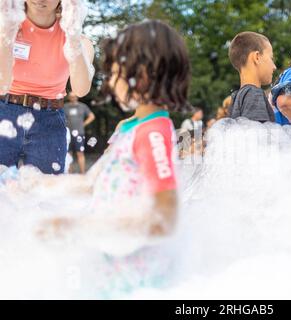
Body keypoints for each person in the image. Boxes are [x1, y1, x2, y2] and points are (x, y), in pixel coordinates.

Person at [33, 21, 191, 296]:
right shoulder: (129, 128)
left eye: (116, 71)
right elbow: (93, 183)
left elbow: (165, 218)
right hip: (108, 265)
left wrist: (81, 227)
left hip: (137, 278)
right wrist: (32, 185)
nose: (110, 80)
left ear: (140, 75)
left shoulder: (153, 132)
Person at [0, 0, 95, 174]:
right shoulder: (6, 23)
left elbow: (81, 89)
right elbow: (1, 84)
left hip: (50, 119)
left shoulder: (79, 39)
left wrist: (73, 39)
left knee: (44, 196)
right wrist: (6, 34)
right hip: (4, 112)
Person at [227, 31, 276, 122]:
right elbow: (257, 134)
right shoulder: (253, 94)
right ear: (257, 57)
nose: (274, 67)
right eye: (271, 58)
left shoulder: (237, 97)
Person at [64, 91, 95, 173]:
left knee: (80, 153)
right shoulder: (65, 107)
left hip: (79, 133)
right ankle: (69, 173)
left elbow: (92, 116)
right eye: (71, 96)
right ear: (69, 97)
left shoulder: (82, 106)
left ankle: (82, 173)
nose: (73, 98)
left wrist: (84, 124)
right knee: (68, 154)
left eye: (74, 96)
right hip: (68, 134)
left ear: (77, 97)